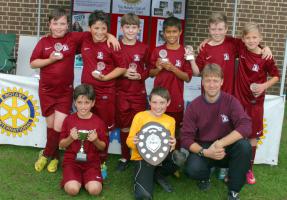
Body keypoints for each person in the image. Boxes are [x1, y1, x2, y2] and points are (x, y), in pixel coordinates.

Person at [30, 7, 119, 173]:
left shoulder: (74, 38)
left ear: (67, 25)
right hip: (46, 91)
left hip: (65, 92)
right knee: (50, 127)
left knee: (58, 127)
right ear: (49, 25)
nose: (59, 27)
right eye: (55, 23)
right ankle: (55, 157)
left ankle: (45, 154)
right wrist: (49, 59)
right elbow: (33, 63)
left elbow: (97, 31)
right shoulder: (43, 42)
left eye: (62, 23)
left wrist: (111, 35)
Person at [180, 64, 252, 200]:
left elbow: (245, 126)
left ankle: (233, 190)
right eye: (207, 80)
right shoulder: (194, 106)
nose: (211, 85)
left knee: (244, 146)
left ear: (222, 82)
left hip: (226, 147)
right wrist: (206, 152)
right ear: (202, 82)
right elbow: (186, 139)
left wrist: (220, 143)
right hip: (205, 148)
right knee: (192, 169)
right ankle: (204, 177)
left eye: (215, 80)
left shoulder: (231, 101)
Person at [234, 22, 280, 185]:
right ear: (243, 39)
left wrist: (263, 86)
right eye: (248, 38)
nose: (251, 41)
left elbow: (276, 75)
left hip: (255, 104)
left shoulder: (265, 56)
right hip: (238, 102)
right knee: (235, 136)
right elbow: (222, 39)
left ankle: (248, 169)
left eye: (255, 37)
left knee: (253, 138)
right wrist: (206, 42)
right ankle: (233, 168)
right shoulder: (241, 48)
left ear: (260, 38)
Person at [81, 10, 127, 161]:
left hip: (106, 92)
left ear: (108, 29)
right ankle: (86, 155)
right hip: (87, 92)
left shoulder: (112, 44)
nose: (100, 32)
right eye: (96, 28)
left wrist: (106, 77)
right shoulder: (84, 39)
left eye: (104, 29)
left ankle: (102, 159)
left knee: (104, 127)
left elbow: (122, 67)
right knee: (86, 123)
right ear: (89, 28)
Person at [126, 87, 178, 199]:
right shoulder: (140, 116)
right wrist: (134, 142)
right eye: (154, 102)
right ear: (149, 102)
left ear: (168, 103)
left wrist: (173, 143)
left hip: (161, 157)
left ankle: (159, 175)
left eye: (162, 103)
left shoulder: (170, 120)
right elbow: (129, 141)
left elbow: (170, 146)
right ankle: (147, 175)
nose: (158, 106)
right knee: (144, 195)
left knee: (179, 158)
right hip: (142, 157)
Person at [115, 13, 150, 171]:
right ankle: (124, 156)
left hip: (138, 94)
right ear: (121, 28)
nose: (130, 30)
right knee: (124, 127)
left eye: (133, 27)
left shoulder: (144, 48)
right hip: (121, 93)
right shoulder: (115, 46)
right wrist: (122, 73)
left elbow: (150, 68)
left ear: (139, 29)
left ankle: (138, 156)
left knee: (140, 127)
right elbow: (110, 66)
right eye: (127, 27)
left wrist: (140, 75)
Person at [59, 84, 108, 196]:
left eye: (87, 102)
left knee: (95, 190)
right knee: (72, 190)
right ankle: (75, 178)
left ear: (93, 103)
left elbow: (102, 147)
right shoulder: (68, 120)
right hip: (72, 161)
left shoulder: (99, 122)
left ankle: (86, 179)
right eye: (80, 102)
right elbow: (61, 145)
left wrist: (95, 140)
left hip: (92, 162)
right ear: (75, 102)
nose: (83, 107)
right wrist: (71, 138)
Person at [149, 16, 192, 141]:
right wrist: (158, 68)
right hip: (158, 99)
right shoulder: (158, 51)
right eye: (168, 32)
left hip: (176, 99)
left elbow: (188, 77)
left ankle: (174, 158)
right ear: (163, 33)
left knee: (175, 131)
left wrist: (173, 68)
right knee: (156, 128)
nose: (171, 35)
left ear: (180, 32)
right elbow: (150, 73)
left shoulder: (184, 52)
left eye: (174, 32)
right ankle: (156, 157)